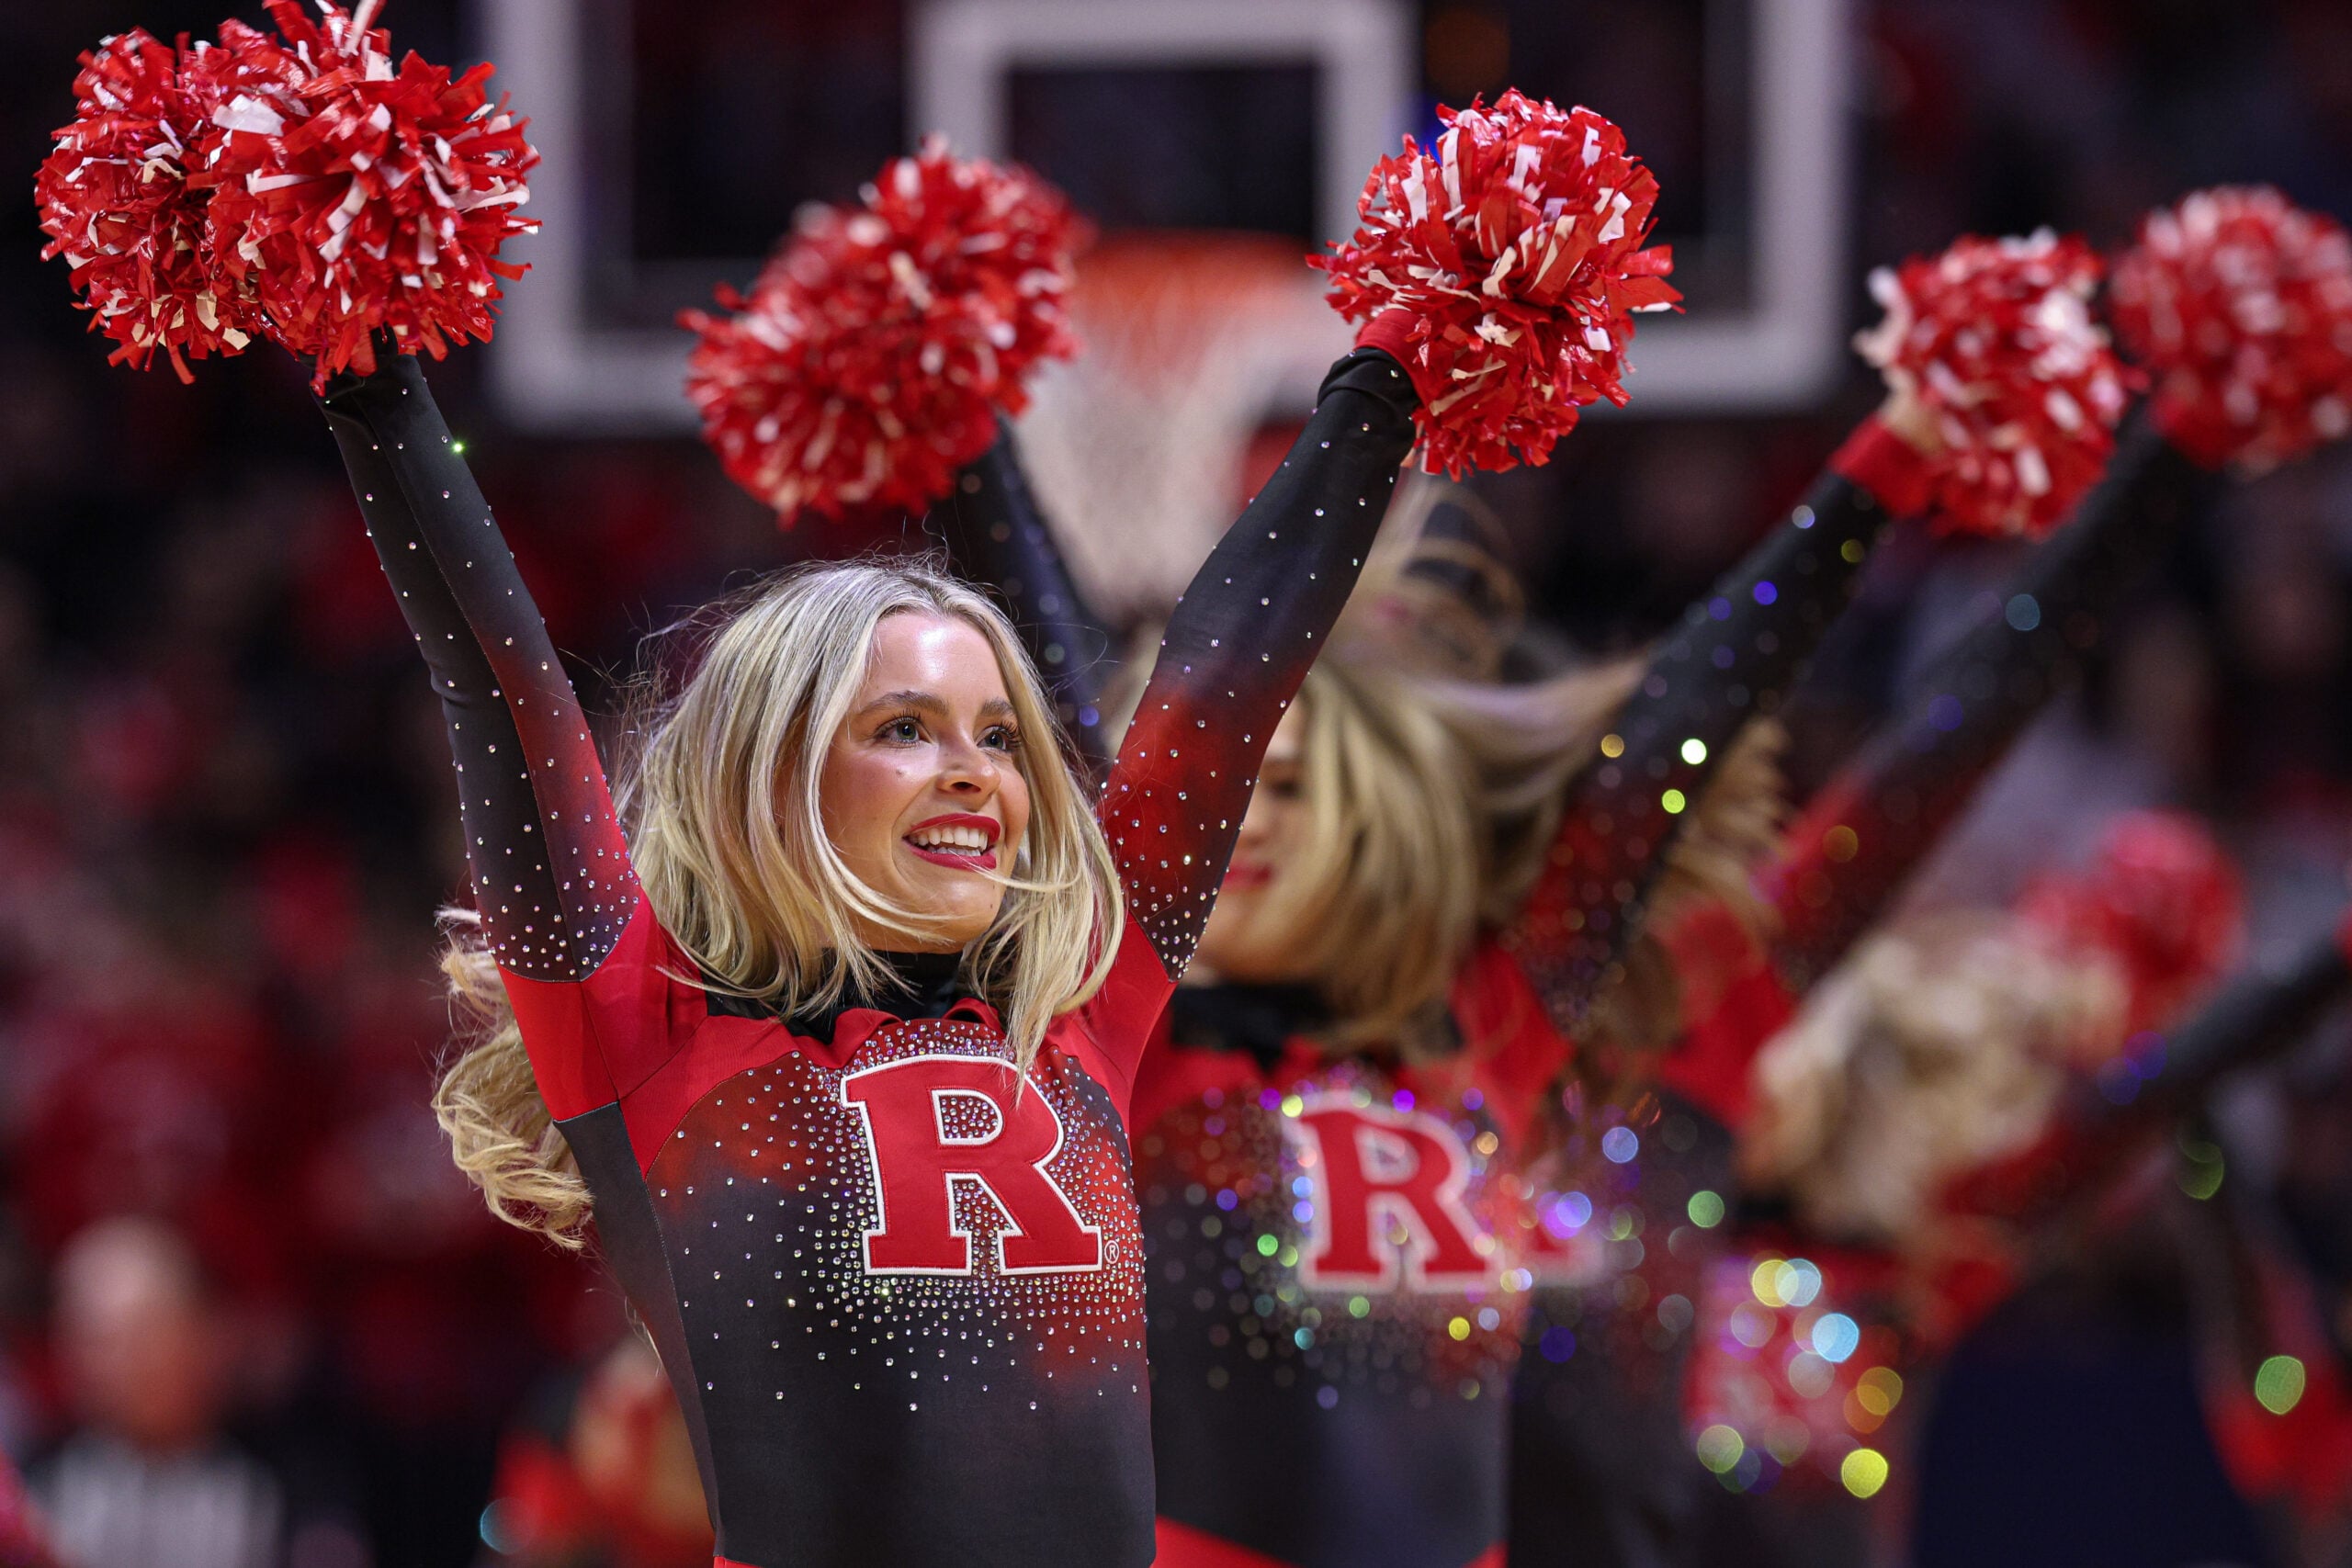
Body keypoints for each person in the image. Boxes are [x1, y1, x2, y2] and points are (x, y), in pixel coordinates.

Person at [310, 300, 1418, 1567]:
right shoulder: (642, 1031)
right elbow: (499, 682)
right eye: (904, 727)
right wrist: (365, 361)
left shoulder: (1081, 1004)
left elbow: (1229, 680)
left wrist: (1392, 375)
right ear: (774, 773)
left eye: (999, 735)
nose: (976, 774)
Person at [30, 1217, 284, 1568]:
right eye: (89, 1340)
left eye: (138, 1339)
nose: (105, 1366)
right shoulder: (34, 1493)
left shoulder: (286, 1490)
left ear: (202, 1334)